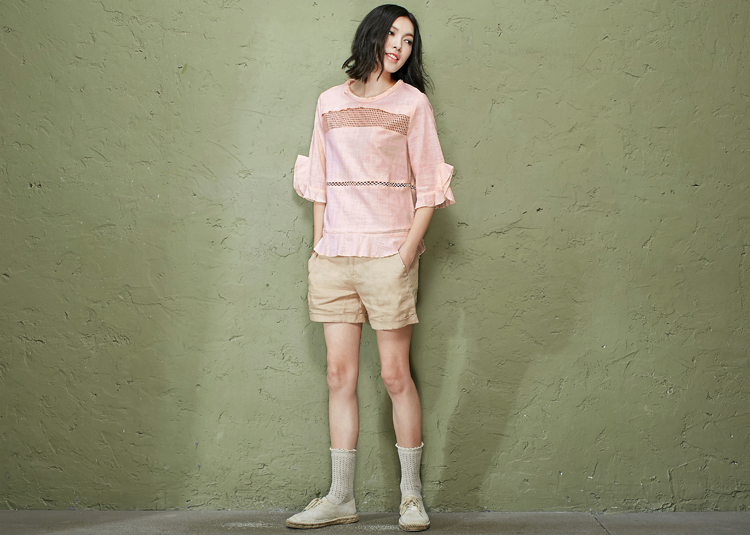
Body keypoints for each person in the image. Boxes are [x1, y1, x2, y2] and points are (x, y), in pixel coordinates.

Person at [287, 4, 455, 532]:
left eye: (409, 40)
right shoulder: (329, 102)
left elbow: (429, 185)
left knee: (393, 374)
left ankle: (411, 497)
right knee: (338, 375)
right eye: (393, 35)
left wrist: (404, 254)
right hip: (334, 255)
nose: (400, 46)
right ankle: (341, 497)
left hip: (387, 257)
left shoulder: (412, 104)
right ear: (372, 36)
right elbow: (320, 179)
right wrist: (320, 242)